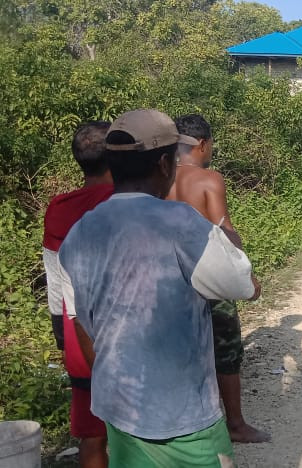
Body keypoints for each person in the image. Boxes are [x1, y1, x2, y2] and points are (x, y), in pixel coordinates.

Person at [58, 109, 261, 466]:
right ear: (165, 164)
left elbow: (81, 322)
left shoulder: (80, 232)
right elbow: (241, 284)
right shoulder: (180, 223)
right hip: (183, 415)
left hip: (120, 410)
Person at [167, 114, 271, 444]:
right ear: (201, 144)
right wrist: (245, 273)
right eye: (210, 145)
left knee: (182, 349)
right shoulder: (209, 179)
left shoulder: (159, 178)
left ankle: (185, 424)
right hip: (207, 274)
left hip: (170, 277)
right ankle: (235, 424)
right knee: (226, 349)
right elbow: (223, 232)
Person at [41, 121, 114, 468]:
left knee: (92, 434)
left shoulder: (59, 208)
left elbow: (55, 282)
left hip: (77, 335)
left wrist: (62, 335)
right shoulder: (125, 202)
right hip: (125, 335)